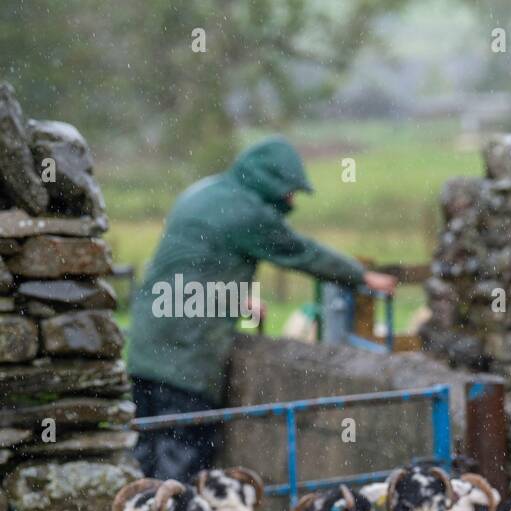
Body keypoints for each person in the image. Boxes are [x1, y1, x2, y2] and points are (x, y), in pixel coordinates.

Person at [126, 136, 396, 481]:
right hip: (185, 354)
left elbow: (190, 263)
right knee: (183, 457)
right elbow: (300, 251)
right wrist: (361, 276)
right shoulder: (245, 212)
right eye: (289, 192)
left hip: (148, 343)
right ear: (270, 182)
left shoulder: (205, 192)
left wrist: (232, 297)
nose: (290, 201)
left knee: (147, 452)